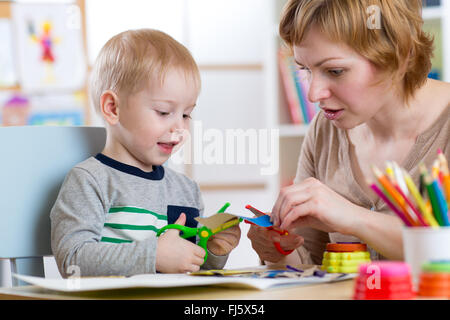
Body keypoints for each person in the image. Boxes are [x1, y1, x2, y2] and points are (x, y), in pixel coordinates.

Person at [248, 0, 450, 266]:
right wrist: (277, 251)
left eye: (335, 71)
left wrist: (353, 218)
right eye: (306, 69)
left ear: (400, 56)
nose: (313, 94)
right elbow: (310, 264)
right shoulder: (324, 130)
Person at [51, 29, 240, 277]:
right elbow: (72, 261)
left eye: (186, 114)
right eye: (163, 112)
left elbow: (189, 267)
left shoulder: (186, 190)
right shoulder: (90, 180)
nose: (179, 127)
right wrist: (155, 256)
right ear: (112, 108)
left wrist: (214, 251)